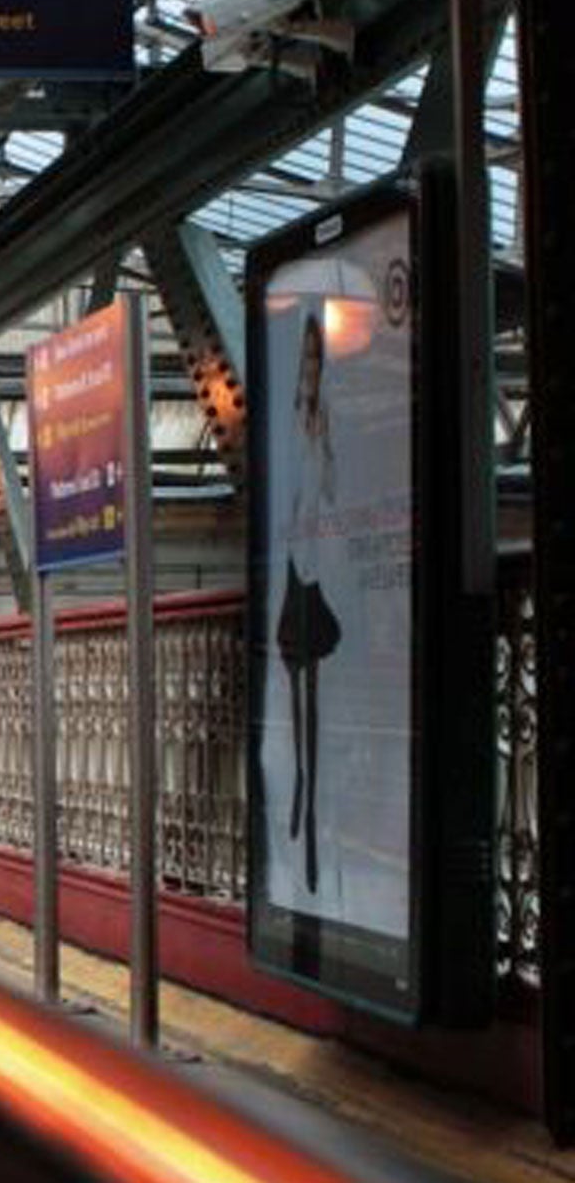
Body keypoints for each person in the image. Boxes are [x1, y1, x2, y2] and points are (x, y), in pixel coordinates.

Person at [274, 310, 340, 896]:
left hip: (317, 577)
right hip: (295, 574)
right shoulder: (292, 425)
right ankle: (299, 796)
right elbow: (290, 502)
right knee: (298, 703)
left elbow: (331, 498)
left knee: (314, 702)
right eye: (307, 363)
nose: (311, 372)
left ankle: (310, 806)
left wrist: (324, 448)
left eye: (318, 363)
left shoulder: (324, 427)